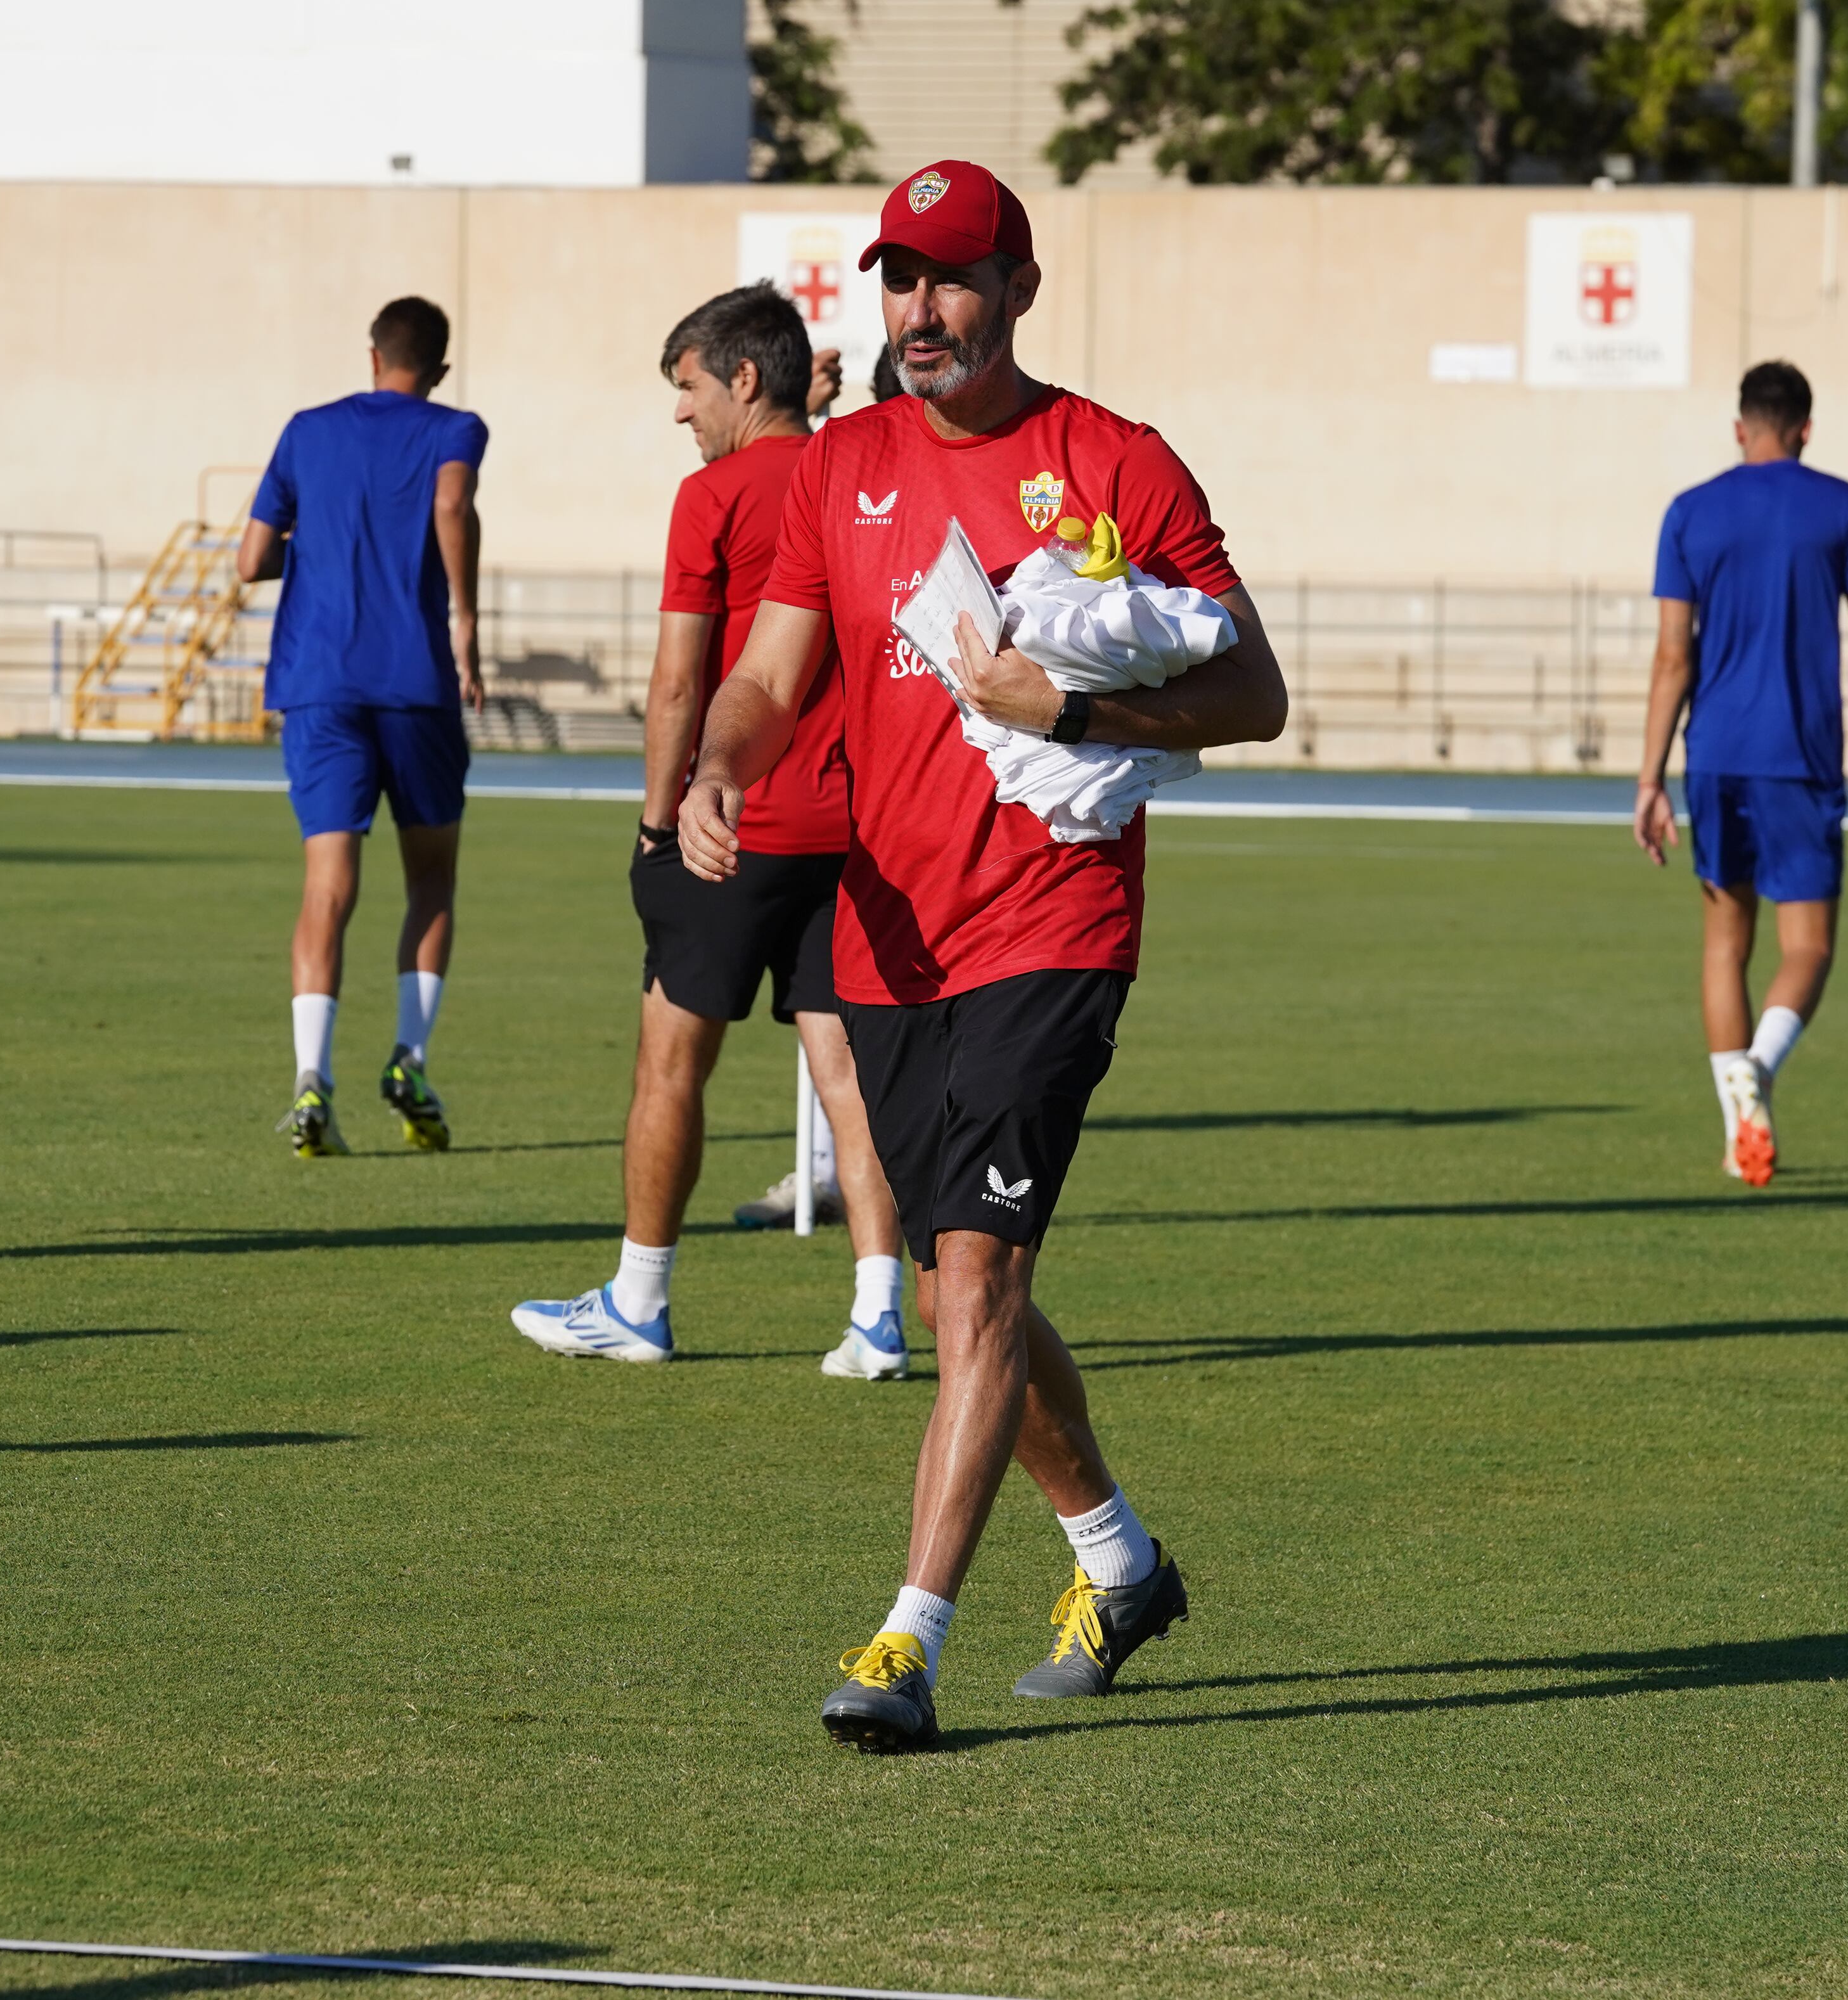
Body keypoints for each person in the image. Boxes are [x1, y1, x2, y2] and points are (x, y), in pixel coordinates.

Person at [679, 161, 1288, 1749]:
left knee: (984, 1275)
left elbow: (1254, 693)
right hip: (884, 933)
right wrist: (723, 766)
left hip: (1053, 921)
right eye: (897, 279)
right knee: (968, 1289)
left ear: (1018, 285)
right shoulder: (844, 464)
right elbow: (769, 670)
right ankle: (1118, 1558)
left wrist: (1073, 710)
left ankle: (904, 1640)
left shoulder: (1113, 462)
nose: (918, 311)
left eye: (950, 280)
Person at [511, 286, 910, 1378]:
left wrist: (653, 826)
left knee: (670, 1064)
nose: (679, 414)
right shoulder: (859, 477)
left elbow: (681, 682)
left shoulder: (717, 498)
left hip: (733, 824)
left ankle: (640, 1299)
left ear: (742, 378)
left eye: (686, 386)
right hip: (858, 829)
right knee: (850, 1075)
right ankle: (879, 1314)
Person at [1632, 361, 1848, 1186]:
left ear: (1738, 427)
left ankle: (1739, 1129)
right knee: (1811, 945)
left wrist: (1649, 778)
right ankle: (1759, 1065)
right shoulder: (1841, 505)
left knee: (1726, 944)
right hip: (1799, 755)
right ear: (1805, 428)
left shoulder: (1689, 512)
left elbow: (1671, 656)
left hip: (1714, 753)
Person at [239, 296, 486, 1157]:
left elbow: (250, 560)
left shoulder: (306, 431)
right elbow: (452, 507)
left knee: (326, 887)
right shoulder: (455, 428)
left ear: (372, 354)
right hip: (415, 682)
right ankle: (409, 1058)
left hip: (320, 682)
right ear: (440, 367)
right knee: (431, 882)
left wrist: (304, 543)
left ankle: (312, 1079)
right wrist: (465, 619)